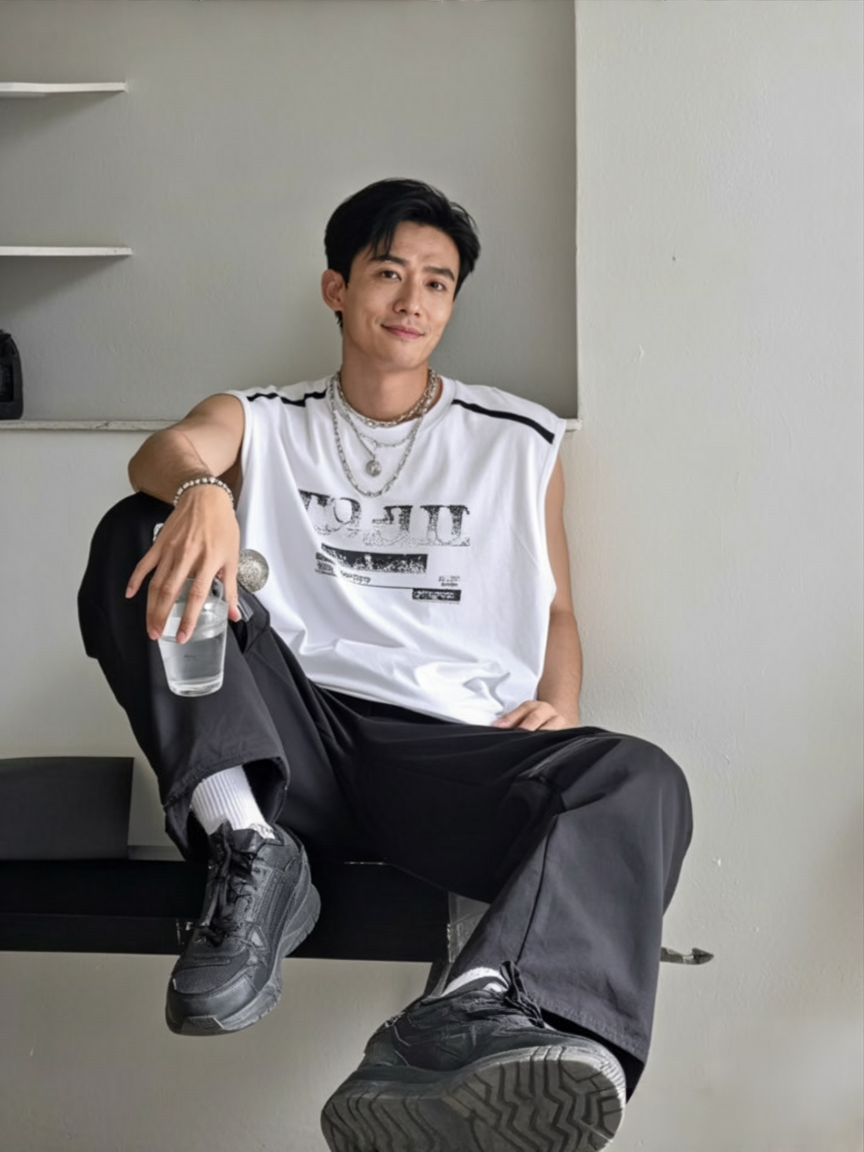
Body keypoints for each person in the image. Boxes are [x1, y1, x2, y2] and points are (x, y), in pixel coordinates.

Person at [78, 178, 692, 1152]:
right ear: (336, 286)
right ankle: (252, 845)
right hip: (294, 733)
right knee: (138, 531)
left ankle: (482, 1013)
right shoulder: (267, 416)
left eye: (439, 283)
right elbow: (174, 448)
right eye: (389, 273)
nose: (414, 300)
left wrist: (559, 705)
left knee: (637, 775)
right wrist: (203, 486)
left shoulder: (519, 439)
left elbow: (559, 608)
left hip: (450, 754)